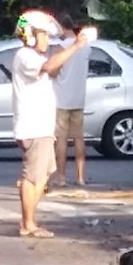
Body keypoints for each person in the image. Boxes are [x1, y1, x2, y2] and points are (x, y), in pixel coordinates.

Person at [12, 10, 88, 238]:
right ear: (30, 35)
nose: (47, 39)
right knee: (32, 176)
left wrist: (62, 54)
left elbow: (52, 70)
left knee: (43, 175)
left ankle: (29, 220)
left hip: (42, 127)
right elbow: (48, 68)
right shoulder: (25, 56)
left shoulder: (35, 58)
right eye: (43, 35)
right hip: (33, 127)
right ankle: (28, 224)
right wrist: (75, 46)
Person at [52, 13, 91, 187]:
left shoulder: (61, 47)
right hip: (79, 97)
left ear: (61, 27)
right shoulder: (86, 47)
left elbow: (52, 71)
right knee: (78, 139)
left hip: (61, 98)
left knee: (61, 139)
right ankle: (80, 177)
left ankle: (61, 177)